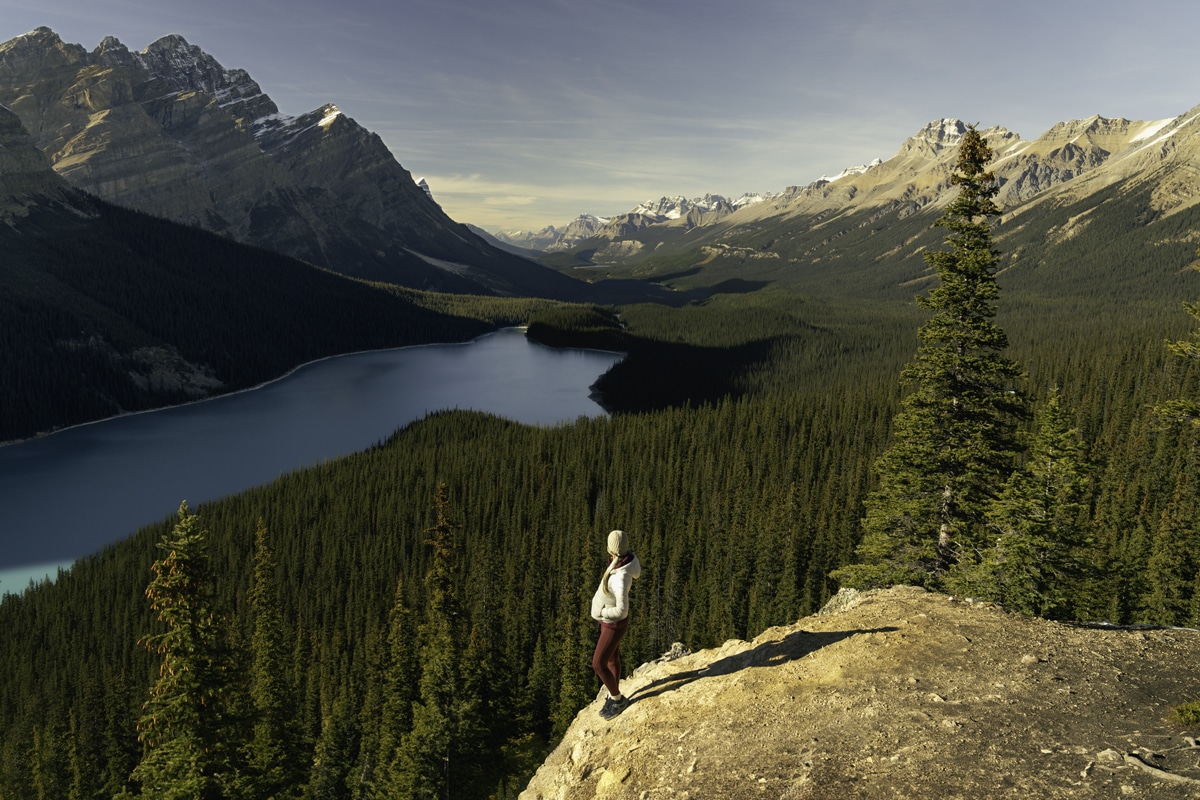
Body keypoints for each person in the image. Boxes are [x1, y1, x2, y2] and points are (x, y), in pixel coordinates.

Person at [590, 528, 642, 719]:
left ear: (610, 548)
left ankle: (618, 700)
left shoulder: (621, 576)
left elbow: (622, 610)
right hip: (610, 622)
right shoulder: (619, 563)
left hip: (613, 624)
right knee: (612, 659)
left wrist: (602, 612)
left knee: (598, 663)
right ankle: (614, 696)